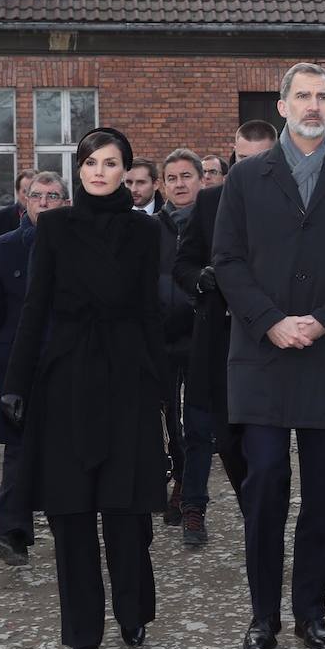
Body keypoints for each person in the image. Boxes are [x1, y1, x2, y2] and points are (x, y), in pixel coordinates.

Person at [213, 63, 325, 649]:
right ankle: (263, 615)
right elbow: (228, 263)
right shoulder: (245, 178)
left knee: (322, 491)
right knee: (263, 484)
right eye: (302, 96)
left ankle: (311, 611)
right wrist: (271, 322)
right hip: (262, 355)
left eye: (322, 97)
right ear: (282, 106)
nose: (313, 106)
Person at [0, 127, 167, 649]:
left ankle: (133, 613)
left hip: (125, 375)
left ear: (127, 172)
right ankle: (82, 629)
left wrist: (163, 387)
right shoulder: (54, 227)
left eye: (111, 163)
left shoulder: (145, 232)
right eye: (91, 162)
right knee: (70, 509)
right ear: (79, 169)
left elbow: (149, 311)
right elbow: (35, 307)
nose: (99, 171)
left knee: (125, 506)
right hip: (66, 376)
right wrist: (16, 383)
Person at [174, 121, 278, 547]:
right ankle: (240, 512)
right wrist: (202, 279)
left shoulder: (293, 204)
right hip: (219, 341)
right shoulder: (211, 202)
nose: (248, 167)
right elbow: (182, 264)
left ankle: (262, 524)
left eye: (259, 160)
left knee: (266, 448)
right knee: (222, 437)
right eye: (241, 159)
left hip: (274, 344)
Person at [0, 171, 69, 567]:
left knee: (65, 449)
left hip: (66, 363)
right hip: (15, 366)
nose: (44, 203)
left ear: (65, 202)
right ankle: (12, 533)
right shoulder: (2, 248)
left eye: (53, 196)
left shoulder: (78, 246)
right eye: (36, 196)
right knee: (17, 450)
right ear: (24, 203)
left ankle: (67, 528)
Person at [154, 149, 201, 527]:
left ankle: (192, 496)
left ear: (200, 180)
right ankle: (180, 481)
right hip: (163, 337)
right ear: (162, 185)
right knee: (171, 417)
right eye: (172, 178)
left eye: (186, 176)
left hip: (203, 336)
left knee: (201, 418)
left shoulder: (216, 224)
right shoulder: (153, 228)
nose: (180, 184)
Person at [0, 169, 36, 242]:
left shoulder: (52, 219)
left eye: (34, 193)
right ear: (17, 192)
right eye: (25, 191)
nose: (28, 196)